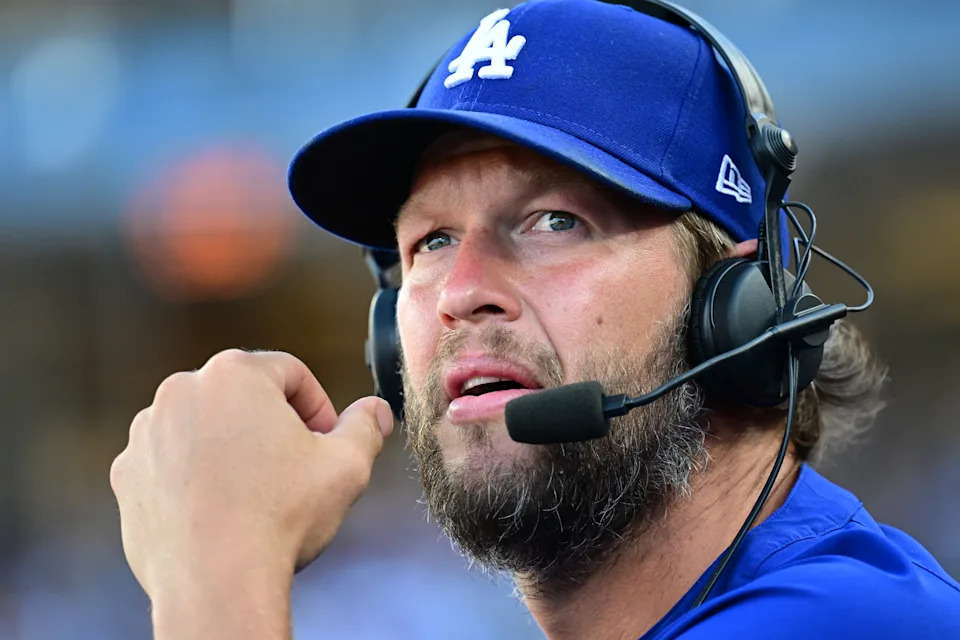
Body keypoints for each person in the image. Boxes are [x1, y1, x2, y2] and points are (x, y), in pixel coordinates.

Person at [109, 1, 960, 638]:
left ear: (735, 315)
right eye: (430, 241)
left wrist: (215, 576)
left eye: (555, 222)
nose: (458, 291)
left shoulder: (852, 617)